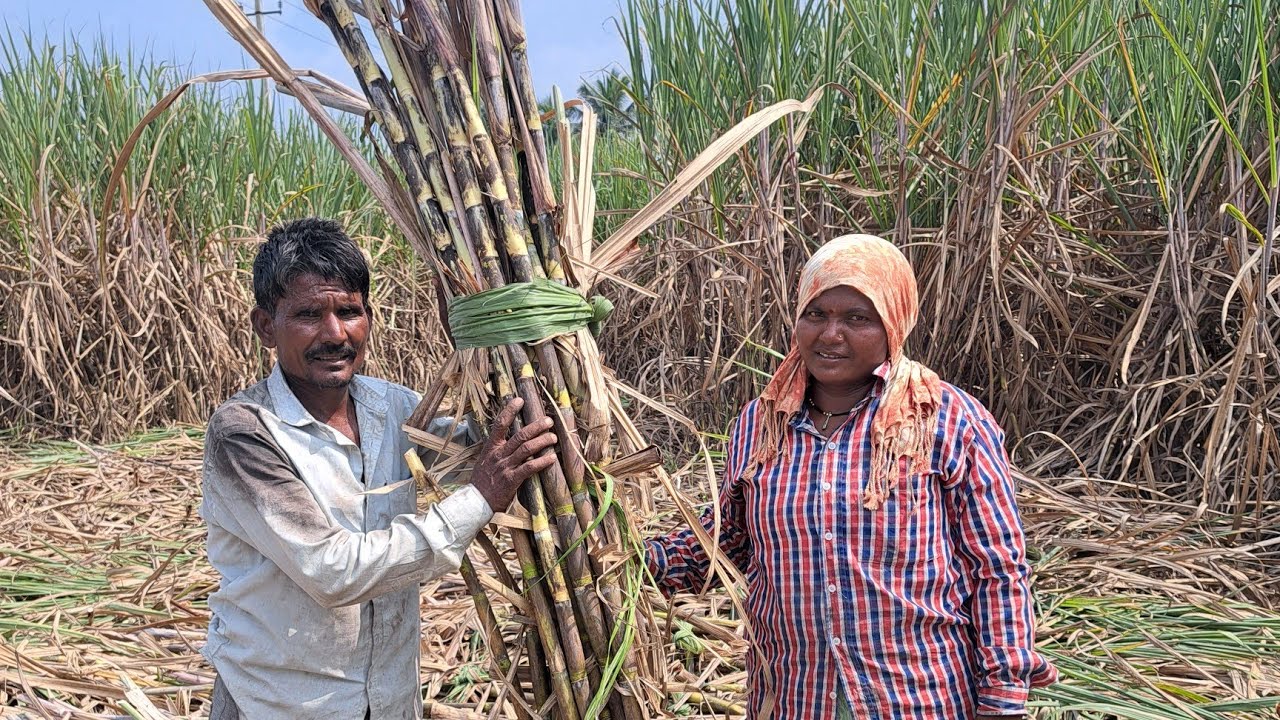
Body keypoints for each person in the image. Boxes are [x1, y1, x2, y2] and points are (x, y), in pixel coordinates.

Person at [646, 234, 1057, 719]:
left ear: (894, 323)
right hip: (794, 696)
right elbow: (729, 539)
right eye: (815, 314)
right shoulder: (761, 425)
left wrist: (1004, 692)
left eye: (857, 319)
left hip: (916, 697)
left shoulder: (944, 420)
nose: (830, 334)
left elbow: (996, 567)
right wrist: (631, 559)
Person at [200, 217, 557, 720]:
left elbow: (477, 450)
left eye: (349, 311)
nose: (335, 333)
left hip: (389, 700)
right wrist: (479, 498)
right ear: (265, 326)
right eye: (308, 315)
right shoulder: (245, 434)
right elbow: (332, 571)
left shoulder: (391, 408)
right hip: (284, 705)